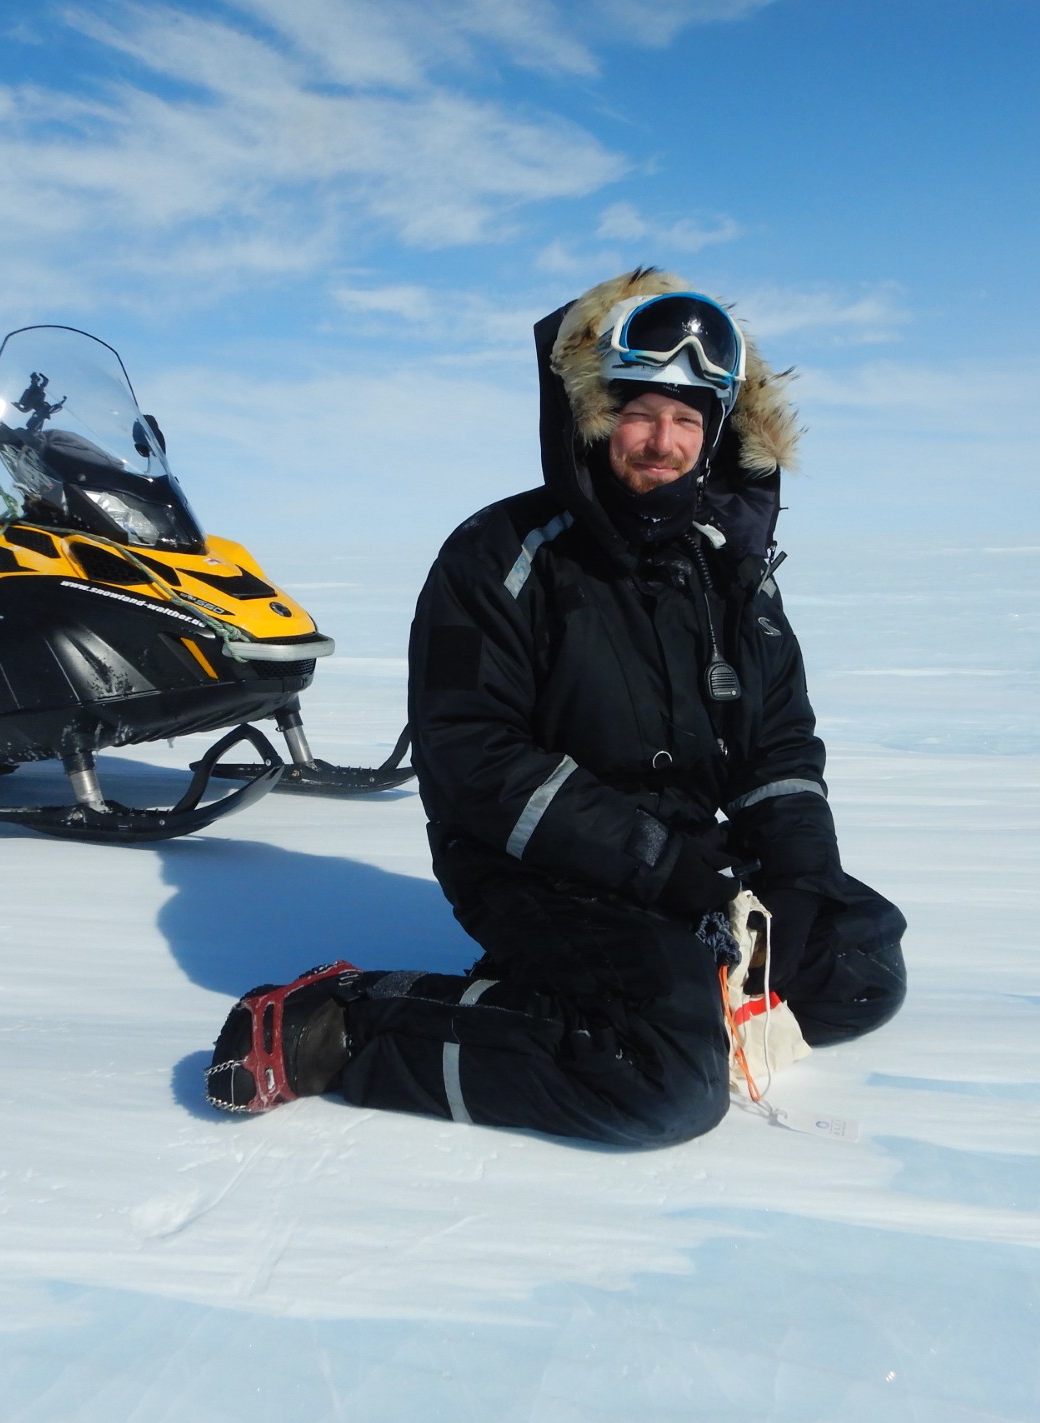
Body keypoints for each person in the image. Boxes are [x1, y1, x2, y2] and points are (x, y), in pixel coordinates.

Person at [206, 267, 906, 1146]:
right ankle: (345, 1024)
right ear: (594, 415)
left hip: (681, 861)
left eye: (688, 418)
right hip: (527, 866)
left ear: (716, 433)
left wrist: (799, 876)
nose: (662, 441)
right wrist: (667, 871)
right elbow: (472, 759)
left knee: (856, 965)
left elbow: (780, 743)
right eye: (640, 412)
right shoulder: (500, 554)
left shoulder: (725, 568)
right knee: (661, 1085)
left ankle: (653, 994)